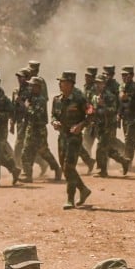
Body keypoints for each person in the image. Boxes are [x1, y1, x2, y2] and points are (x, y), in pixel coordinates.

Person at [51, 71, 92, 208]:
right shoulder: (57, 99)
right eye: (60, 82)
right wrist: (54, 122)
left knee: (69, 167)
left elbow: (92, 114)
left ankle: (70, 199)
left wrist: (81, 125)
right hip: (62, 137)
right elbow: (53, 115)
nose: (60, 84)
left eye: (62, 82)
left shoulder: (80, 99)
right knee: (65, 168)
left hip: (74, 138)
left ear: (70, 84)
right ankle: (83, 189)